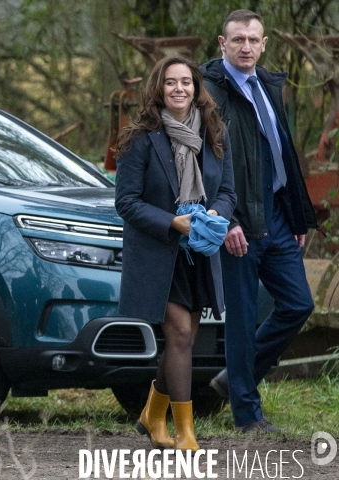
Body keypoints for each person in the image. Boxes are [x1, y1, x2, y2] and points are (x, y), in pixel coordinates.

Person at [200, 10, 317, 433]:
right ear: (222, 43)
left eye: (253, 40)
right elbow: (207, 163)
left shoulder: (268, 84)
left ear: (264, 44)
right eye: (238, 40)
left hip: (279, 216)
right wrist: (224, 219)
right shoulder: (210, 92)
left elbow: (283, 152)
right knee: (243, 317)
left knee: (299, 304)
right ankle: (247, 414)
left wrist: (297, 213)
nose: (246, 47)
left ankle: (234, 379)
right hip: (239, 221)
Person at [114, 56, 236, 452]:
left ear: (197, 89)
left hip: (199, 252)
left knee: (183, 340)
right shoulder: (140, 137)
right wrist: (173, 222)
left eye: (186, 82)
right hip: (157, 254)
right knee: (181, 333)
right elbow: (127, 202)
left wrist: (215, 214)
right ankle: (184, 431)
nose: (179, 89)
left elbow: (227, 192)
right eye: (171, 83)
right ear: (159, 89)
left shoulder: (216, 133)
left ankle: (152, 413)